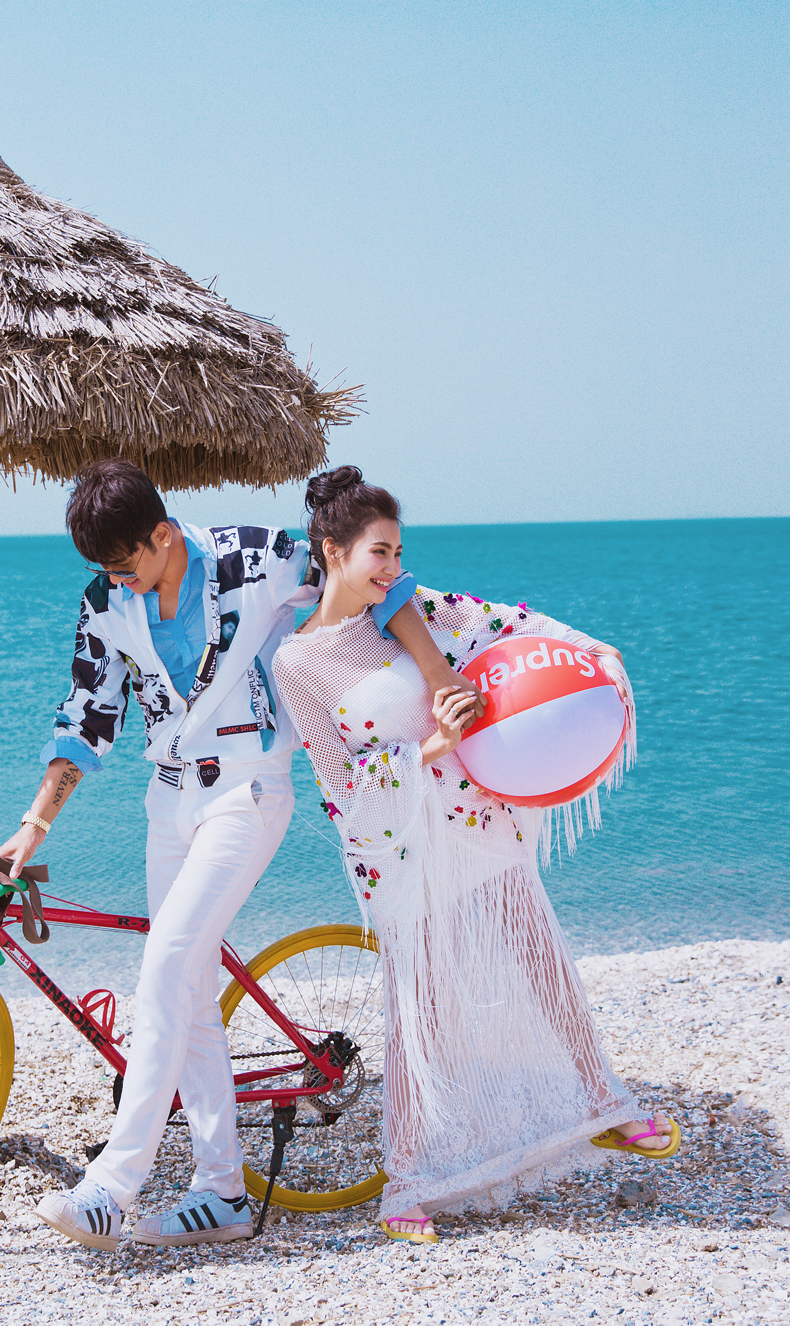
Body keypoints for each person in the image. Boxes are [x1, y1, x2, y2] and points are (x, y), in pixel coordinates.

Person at [1, 458, 465, 1250]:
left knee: (165, 962)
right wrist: (35, 823)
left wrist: (438, 672)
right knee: (188, 989)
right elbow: (87, 716)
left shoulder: (255, 558)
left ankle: (111, 1186)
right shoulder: (106, 603)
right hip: (168, 803)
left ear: (162, 534)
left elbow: (371, 581)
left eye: (126, 565)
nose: (119, 583)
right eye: (106, 572)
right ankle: (220, 1192)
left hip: (248, 792)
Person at [269, 466, 679, 1243]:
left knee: (543, 960)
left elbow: (511, 629)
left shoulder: (415, 609)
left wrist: (594, 651)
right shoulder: (299, 662)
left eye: (398, 552)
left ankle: (604, 1105)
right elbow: (338, 783)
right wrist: (430, 747)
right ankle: (408, 1183)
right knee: (418, 1012)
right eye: (379, 553)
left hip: (478, 819)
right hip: (403, 847)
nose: (393, 567)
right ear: (332, 551)